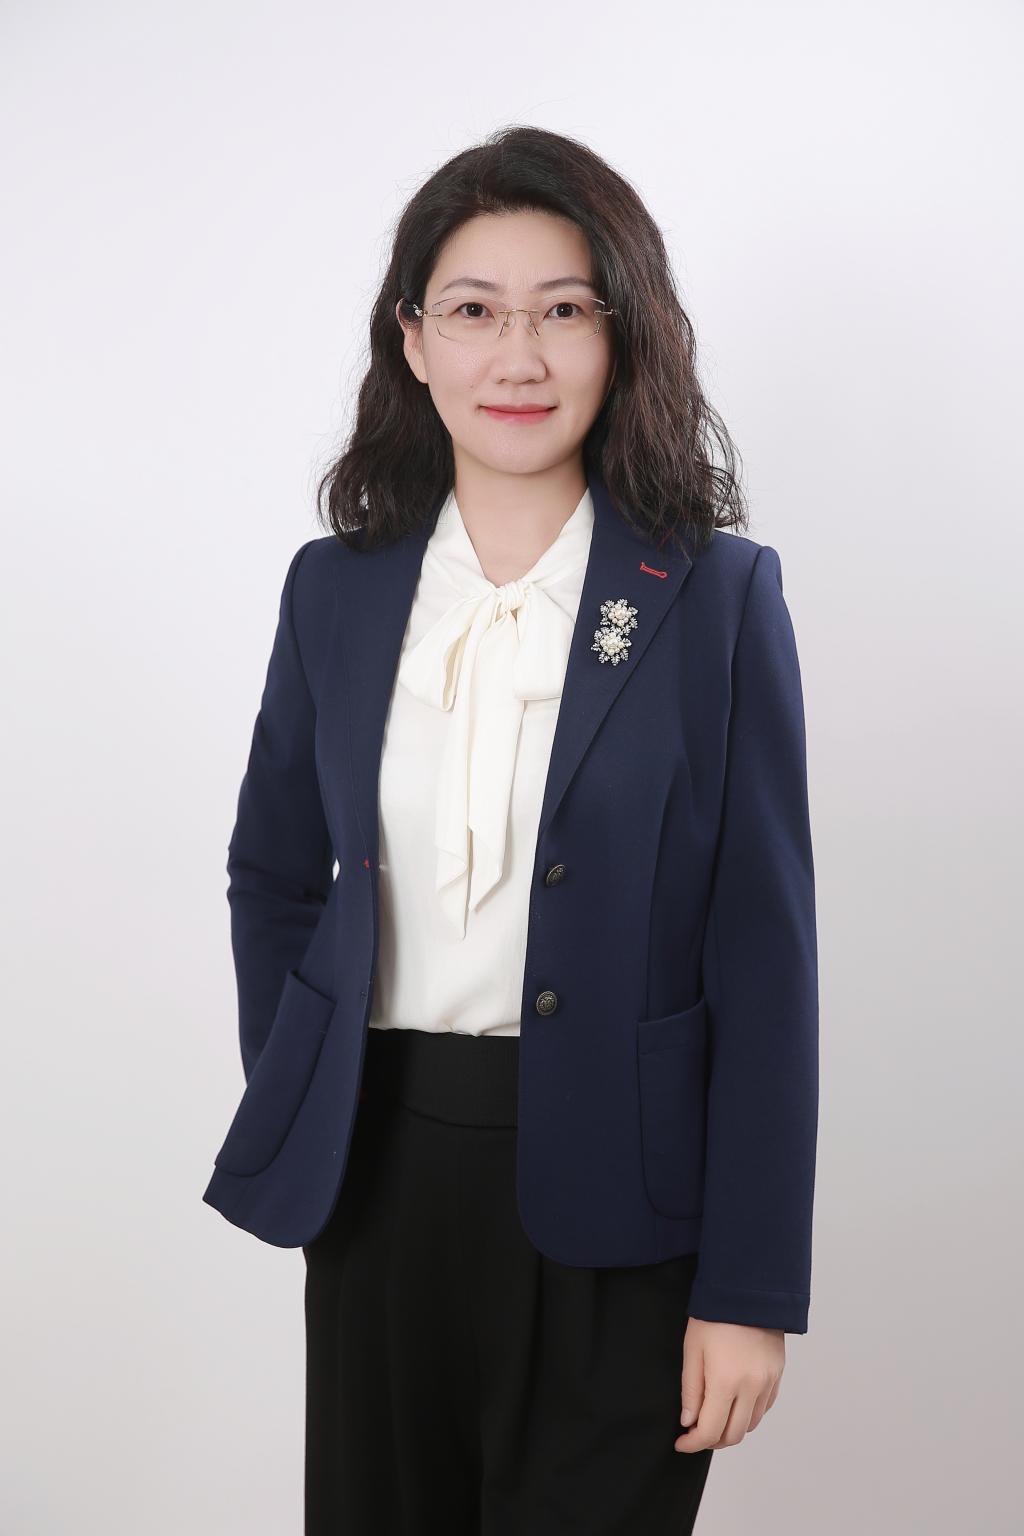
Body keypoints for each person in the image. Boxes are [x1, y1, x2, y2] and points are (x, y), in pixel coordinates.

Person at [202, 123, 819, 1536]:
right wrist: (309, 1087)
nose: (518, 357)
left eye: (563, 310)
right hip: (380, 1187)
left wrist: (748, 1288)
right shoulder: (336, 591)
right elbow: (274, 872)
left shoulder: (714, 599)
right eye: (474, 312)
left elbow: (765, 958)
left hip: (626, 1202)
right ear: (413, 342)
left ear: (622, 334)